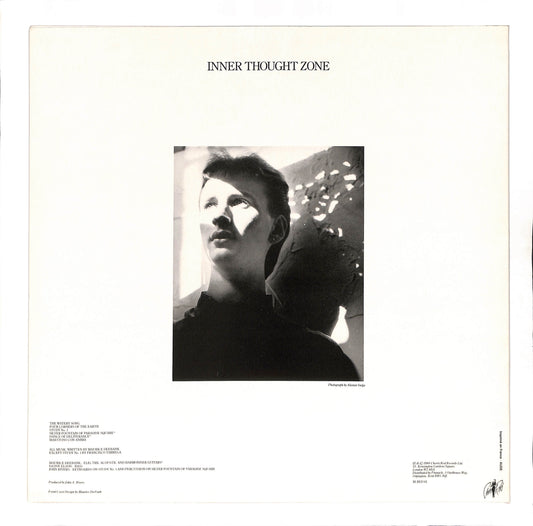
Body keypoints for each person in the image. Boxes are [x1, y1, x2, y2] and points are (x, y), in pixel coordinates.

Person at [172, 152, 359, 381]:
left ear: (277, 229)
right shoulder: (165, 348)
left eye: (239, 201)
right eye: (209, 204)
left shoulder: (321, 360)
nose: (219, 216)